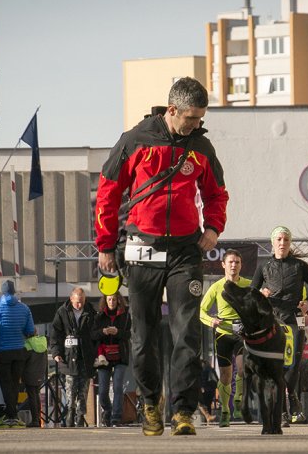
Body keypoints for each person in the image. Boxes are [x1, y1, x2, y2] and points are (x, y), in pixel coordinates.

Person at [94, 77, 229, 436]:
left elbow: (217, 194)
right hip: (142, 248)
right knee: (144, 334)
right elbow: (108, 193)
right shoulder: (134, 140)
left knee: (187, 332)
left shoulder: (201, 146)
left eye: (200, 118)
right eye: (191, 118)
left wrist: (213, 228)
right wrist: (105, 245)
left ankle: (183, 411)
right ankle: (151, 405)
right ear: (172, 110)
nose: (196, 124)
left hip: (186, 250)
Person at [251, 225, 308, 425]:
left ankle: (292, 396)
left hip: (295, 318)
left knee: (293, 364)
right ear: (272, 243)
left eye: (286, 240)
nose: (282, 243)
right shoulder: (264, 267)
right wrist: (261, 294)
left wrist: (307, 302)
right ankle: (281, 411)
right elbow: (252, 292)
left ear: (290, 243)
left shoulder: (300, 266)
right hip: (273, 320)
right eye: (279, 240)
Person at [199, 248, 252, 427]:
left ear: (241, 265)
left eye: (237, 262)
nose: (233, 265)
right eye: (230, 262)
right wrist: (211, 320)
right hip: (223, 334)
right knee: (225, 376)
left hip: (242, 333)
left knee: (242, 368)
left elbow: (261, 300)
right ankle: (224, 411)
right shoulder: (216, 287)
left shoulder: (248, 284)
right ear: (223, 265)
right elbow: (201, 311)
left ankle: (238, 400)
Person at [0, 280, 35, 429]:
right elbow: (30, 330)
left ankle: (11, 416)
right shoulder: (24, 308)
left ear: (2, 292)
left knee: (6, 384)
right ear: (14, 292)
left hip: (2, 353)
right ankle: (12, 415)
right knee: (15, 384)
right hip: (19, 352)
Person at [50, 287, 97, 428]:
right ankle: (70, 411)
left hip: (86, 356)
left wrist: (96, 352)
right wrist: (56, 352)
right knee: (70, 388)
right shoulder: (62, 312)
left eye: (82, 301)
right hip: (69, 356)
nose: (80, 305)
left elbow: (95, 334)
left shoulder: (91, 312)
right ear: (71, 299)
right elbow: (56, 333)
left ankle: (80, 415)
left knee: (83, 389)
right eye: (77, 302)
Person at [91, 292, 131, 427]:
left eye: (114, 299)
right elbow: (93, 335)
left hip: (120, 355)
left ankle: (116, 416)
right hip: (104, 357)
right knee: (102, 390)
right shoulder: (99, 316)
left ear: (118, 300)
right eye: (109, 299)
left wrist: (117, 332)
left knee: (118, 386)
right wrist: (103, 332)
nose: (112, 302)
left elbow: (129, 334)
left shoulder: (125, 316)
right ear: (105, 301)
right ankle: (107, 410)